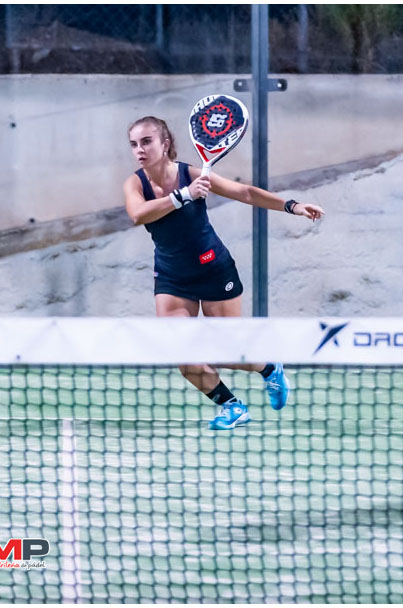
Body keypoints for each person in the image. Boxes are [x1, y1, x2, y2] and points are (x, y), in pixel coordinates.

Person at [124, 116, 324, 430]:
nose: (140, 149)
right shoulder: (135, 184)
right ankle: (232, 407)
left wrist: (293, 206)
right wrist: (184, 195)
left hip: (214, 270)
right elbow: (138, 214)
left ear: (165, 144)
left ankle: (269, 368)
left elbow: (245, 192)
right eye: (134, 144)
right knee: (182, 354)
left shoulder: (191, 173)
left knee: (227, 349)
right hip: (172, 278)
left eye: (147, 141)